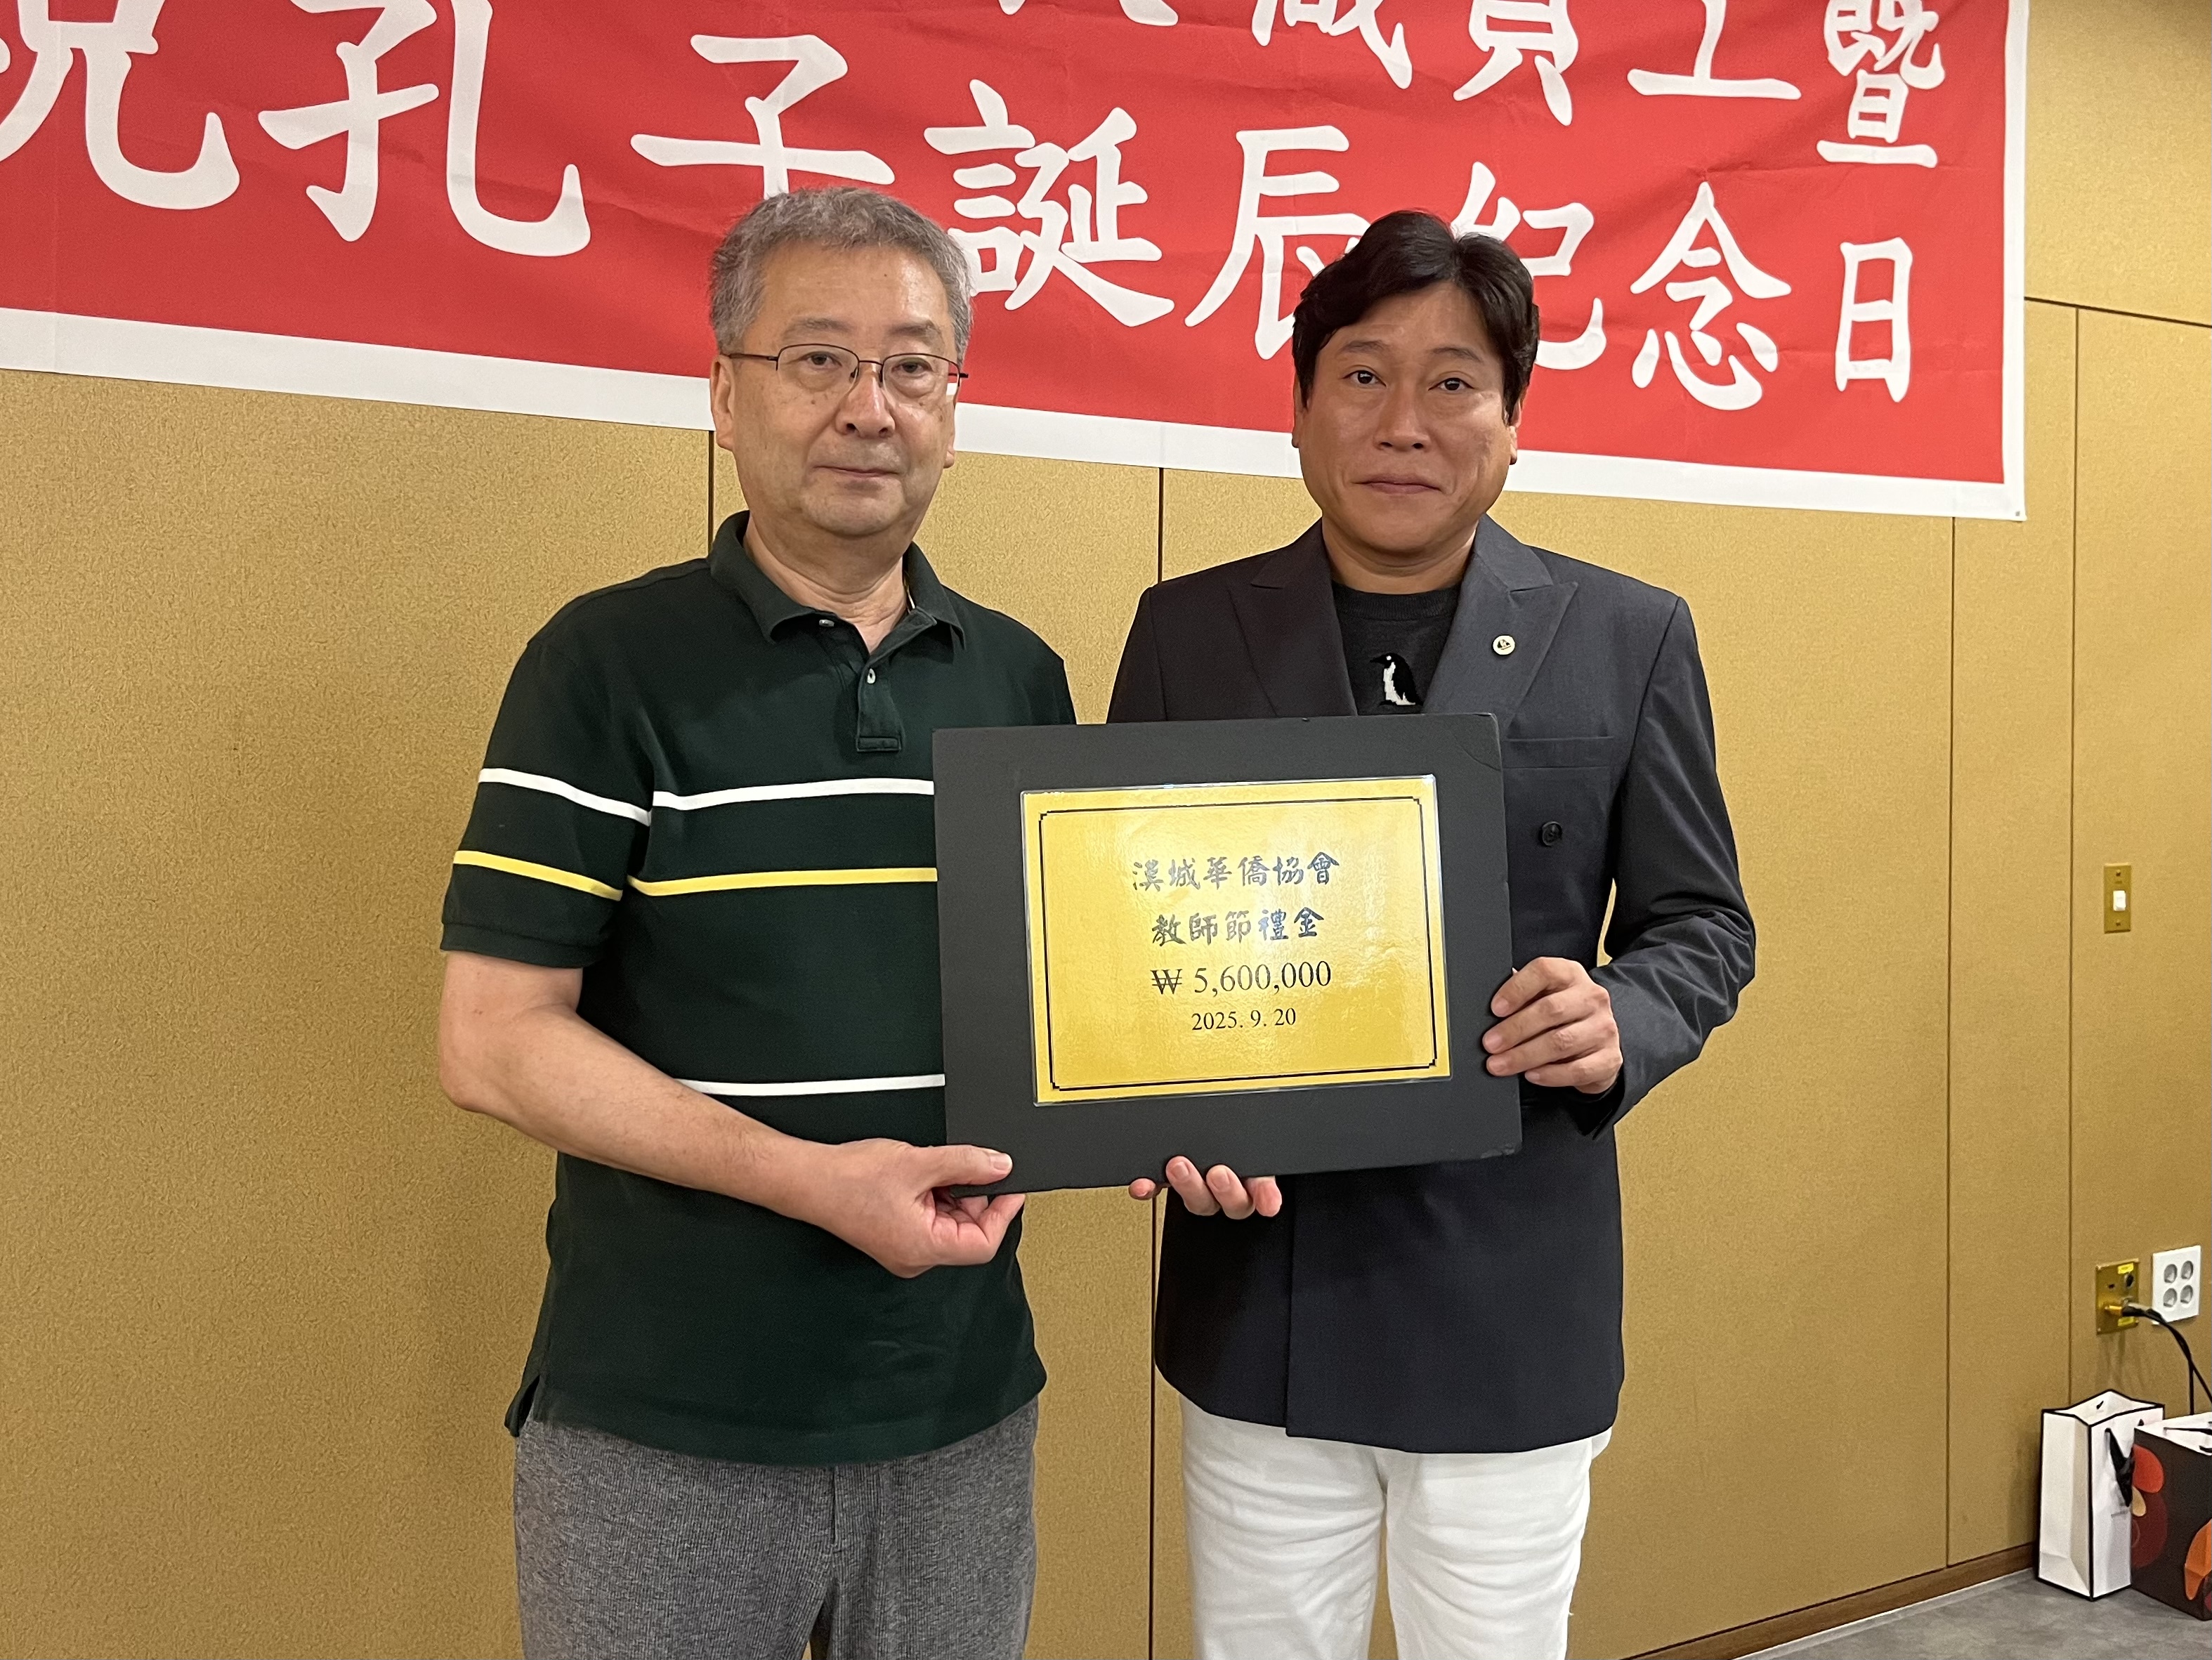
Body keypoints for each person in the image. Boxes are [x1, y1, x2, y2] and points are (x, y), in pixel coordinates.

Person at [436, 187, 1074, 1660]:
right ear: (725, 395)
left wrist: (1179, 1106)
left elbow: (1066, 1013)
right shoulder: (605, 663)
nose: (868, 407)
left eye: (912, 365)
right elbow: (493, 1040)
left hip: (960, 1409)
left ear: (955, 406)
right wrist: (812, 1183)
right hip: (665, 1422)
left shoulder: (1021, 682)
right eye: (817, 359)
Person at [1108, 211, 1755, 1659]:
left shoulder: (1626, 634)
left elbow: (1702, 925)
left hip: (1506, 1288)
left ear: (1512, 423)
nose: (1403, 420)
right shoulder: (1187, 633)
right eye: (1361, 375)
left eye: (1454, 381)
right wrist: (1145, 1106)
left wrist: (1621, 1014)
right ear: (1298, 409)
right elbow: (1129, 935)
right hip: (1260, 1284)